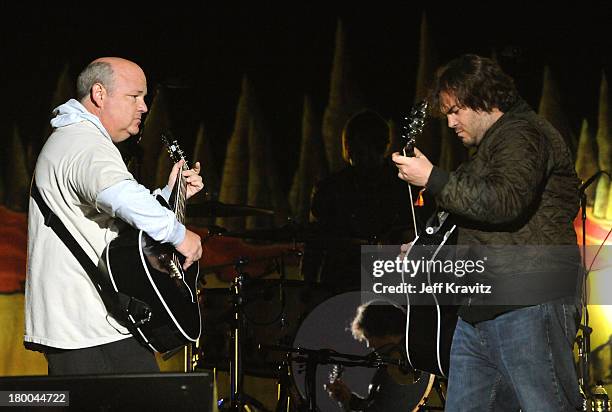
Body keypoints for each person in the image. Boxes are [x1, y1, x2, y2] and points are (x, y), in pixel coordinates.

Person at [393, 54, 582, 410]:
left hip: (530, 299)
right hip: (480, 309)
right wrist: (424, 246)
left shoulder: (524, 133)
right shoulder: (488, 151)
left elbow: (504, 203)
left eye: (454, 110)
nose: (449, 122)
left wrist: (431, 177)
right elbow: (479, 224)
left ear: (483, 99)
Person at [25, 57, 204, 375]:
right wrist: (180, 235)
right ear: (99, 93)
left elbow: (109, 214)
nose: (144, 107)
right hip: (88, 331)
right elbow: (119, 195)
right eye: (134, 96)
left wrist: (168, 195)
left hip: (95, 326)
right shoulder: (83, 142)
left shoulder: (77, 141)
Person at [302, 109, 415, 291]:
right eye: (357, 153)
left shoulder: (401, 186)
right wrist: (308, 287)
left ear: (382, 148)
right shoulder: (331, 188)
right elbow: (314, 243)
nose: (362, 159)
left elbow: (414, 236)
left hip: (388, 281)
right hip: (341, 282)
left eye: (368, 151)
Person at [324, 301, 432, 411]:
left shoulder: (401, 367)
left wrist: (348, 403)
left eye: (368, 337)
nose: (369, 345)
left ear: (383, 330)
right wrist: (349, 400)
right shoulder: (409, 358)